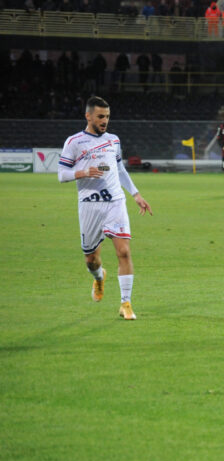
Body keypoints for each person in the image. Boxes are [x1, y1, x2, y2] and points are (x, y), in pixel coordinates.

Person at [57, 96, 152, 320]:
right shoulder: (74, 142)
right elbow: (61, 175)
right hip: (90, 206)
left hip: (115, 202)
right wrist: (83, 172)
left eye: (107, 117)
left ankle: (125, 303)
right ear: (88, 116)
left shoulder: (113, 140)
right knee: (91, 260)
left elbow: (119, 170)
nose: (105, 121)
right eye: (100, 116)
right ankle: (99, 278)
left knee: (124, 251)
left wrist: (136, 194)